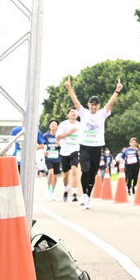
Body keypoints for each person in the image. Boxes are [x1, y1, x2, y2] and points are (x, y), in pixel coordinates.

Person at [65, 76, 123, 210]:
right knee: (85, 169)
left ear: (98, 106)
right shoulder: (83, 113)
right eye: (92, 104)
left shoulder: (102, 113)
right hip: (85, 146)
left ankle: (87, 195)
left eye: (96, 104)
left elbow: (110, 103)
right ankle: (84, 194)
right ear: (88, 104)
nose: (94, 106)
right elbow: (75, 100)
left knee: (93, 173)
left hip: (97, 147)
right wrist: (69, 87)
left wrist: (117, 91)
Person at [55, 107, 81, 202]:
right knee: (66, 174)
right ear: (68, 114)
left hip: (75, 150)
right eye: (71, 112)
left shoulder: (80, 125)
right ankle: (66, 190)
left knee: (74, 171)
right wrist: (69, 133)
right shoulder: (63, 124)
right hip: (65, 151)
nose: (73, 113)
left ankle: (74, 193)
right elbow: (58, 137)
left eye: (75, 112)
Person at [43, 120, 62, 199]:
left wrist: (60, 144)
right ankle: (48, 189)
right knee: (50, 172)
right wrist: (43, 151)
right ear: (49, 126)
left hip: (57, 158)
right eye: (52, 124)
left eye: (55, 124)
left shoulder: (60, 136)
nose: (53, 125)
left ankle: (52, 192)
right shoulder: (46, 136)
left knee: (55, 175)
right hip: (49, 157)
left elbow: (64, 145)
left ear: (57, 126)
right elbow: (43, 145)